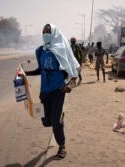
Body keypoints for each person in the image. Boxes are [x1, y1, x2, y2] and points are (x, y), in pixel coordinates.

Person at [24, 24, 80, 159]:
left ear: (54, 33)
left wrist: (70, 85)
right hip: (44, 91)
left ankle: (62, 147)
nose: (46, 33)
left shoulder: (62, 49)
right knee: (45, 121)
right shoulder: (40, 51)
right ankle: (58, 117)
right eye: (44, 31)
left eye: (48, 31)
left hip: (58, 90)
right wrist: (25, 73)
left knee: (56, 122)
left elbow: (74, 70)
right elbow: (40, 70)